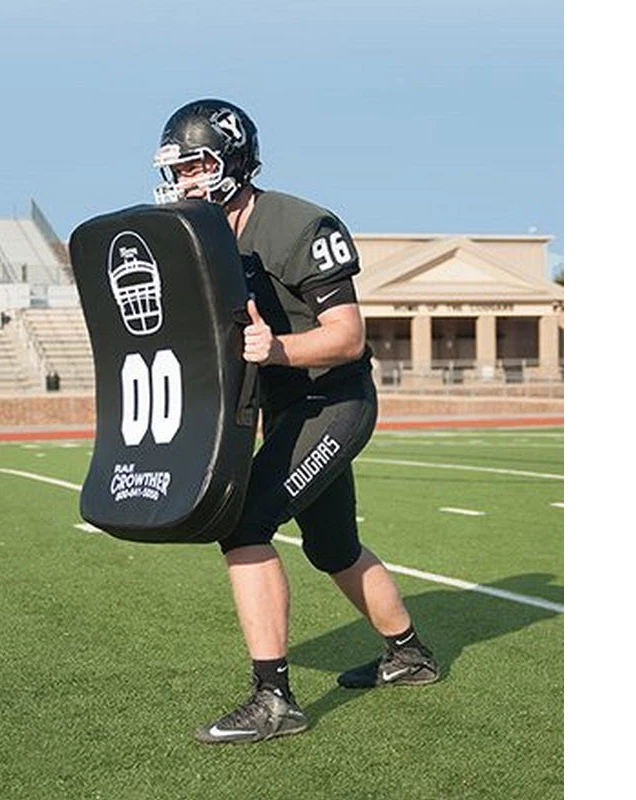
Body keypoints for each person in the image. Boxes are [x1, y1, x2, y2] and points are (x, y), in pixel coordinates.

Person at [152, 98, 439, 744]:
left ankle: (275, 699)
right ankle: (410, 655)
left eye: (198, 164)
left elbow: (347, 336)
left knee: (245, 523)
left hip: (334, 398)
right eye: (179, 168)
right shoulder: (202, 237)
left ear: (233, 160)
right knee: (332, 547)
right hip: (285, 404)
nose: (186, 181)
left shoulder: (298, 225)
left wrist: (276, 350)